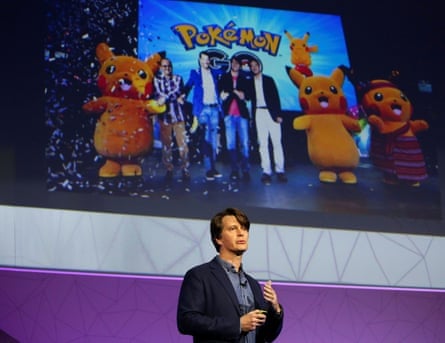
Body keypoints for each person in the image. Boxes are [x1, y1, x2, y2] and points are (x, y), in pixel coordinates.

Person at [177, 207, 283, 342]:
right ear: (218, 238)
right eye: (233, 229)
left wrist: (275, 309)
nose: (241, 233)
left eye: (244, 229)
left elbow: (266, 336)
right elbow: (186, 321)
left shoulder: (253, 284)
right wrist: (238, 325)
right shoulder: (200, 276)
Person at [183, 51, 223, 181]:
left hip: (214, 108)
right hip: (203, 109)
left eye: (208, 59)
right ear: (199, 60)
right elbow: (188, 85)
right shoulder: (195, 73)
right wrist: (183, 94)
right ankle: (208, 169)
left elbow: (222, 83)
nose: (206, 61)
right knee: (206, 139)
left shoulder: (214, 73)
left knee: (214, 139)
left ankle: (213, 167)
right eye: (204, 59)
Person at [249, 59, 288, 185]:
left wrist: (278, 114)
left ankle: (280, 170)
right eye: (252, 66)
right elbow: (248, 96)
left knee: (277, 142)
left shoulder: (268, 80)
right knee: (263, 144)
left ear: (260, 66)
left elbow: (276, 97)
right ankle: (266, 171)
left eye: (256, 65)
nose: (254, 68)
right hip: (259, 113)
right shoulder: (250, 82)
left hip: (272, 113)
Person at [154, 58, 190, 182]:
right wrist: (168, 97)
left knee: (183, 145)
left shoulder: (178, 78)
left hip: (179, 116)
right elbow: (158, 94)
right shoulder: (157, 81)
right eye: (164, 66)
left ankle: (185, 169)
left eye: (169, 66)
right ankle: (169, 169)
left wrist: (166, 97)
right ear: (160, 68)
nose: (167, 69)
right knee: (166, 146)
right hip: (164, 118)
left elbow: (177, 91)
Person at [218, 56, 251, 182]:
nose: (235, 65)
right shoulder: (224, 77)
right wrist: (222, 95)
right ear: (231, 64)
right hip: (229, 116)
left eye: (238, 63)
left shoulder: (244, 78)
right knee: (231, 144)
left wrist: (240, 94)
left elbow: (247, 96)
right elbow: (220, 93)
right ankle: (234, 170)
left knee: (245, 144)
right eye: (233, 63)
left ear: (240, 66)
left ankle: (246, 170)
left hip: (242, 116)